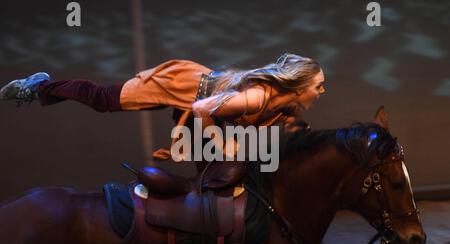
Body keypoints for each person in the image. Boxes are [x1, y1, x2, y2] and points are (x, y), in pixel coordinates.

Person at [0, 53, 325, 165]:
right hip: (181, 86)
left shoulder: (287, 108)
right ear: (299, 87)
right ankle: (38, 86)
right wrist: (224, 143)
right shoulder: (254, 98)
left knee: (216, 168)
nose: (322, 91)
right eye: (318, 85)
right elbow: (200, 109)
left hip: (200, 108)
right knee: (101, 100)